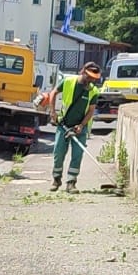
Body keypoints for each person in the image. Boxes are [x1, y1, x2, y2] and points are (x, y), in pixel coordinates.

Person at [51, 61, 101, 191]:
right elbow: (53, 93)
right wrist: (53, 113)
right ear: (83, 72)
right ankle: (56, 179)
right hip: (64, 125)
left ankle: (71, 182)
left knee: (77, 155)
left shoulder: (93, 91)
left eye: (93, 79)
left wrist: (81, 125)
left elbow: (91, 111)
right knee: (58, 152)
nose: (91, 80)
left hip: (80, 128)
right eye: (89, 77)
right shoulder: (68, 82)